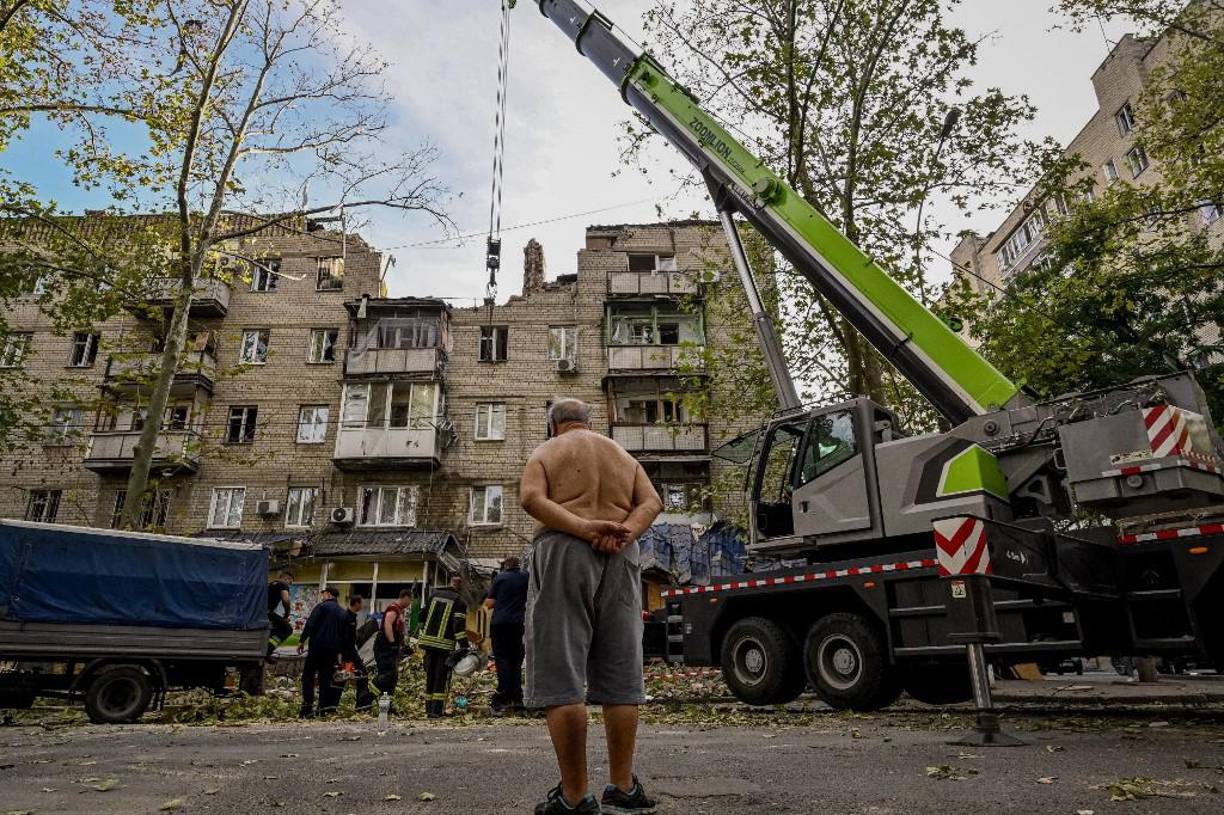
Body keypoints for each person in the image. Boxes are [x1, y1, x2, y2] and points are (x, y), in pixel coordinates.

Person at [520, 398, 663, 815]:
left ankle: (575, 796)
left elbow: (531, 498)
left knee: (561, 671)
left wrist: (583, 528)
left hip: (564, 549)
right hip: (622, 555)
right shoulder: (621, 454)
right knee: (621, 674)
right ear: (587, 422)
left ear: (554, 426)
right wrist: (622, 534)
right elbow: (652, 502)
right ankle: (622, 787)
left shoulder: (547, 451)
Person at [418, 576, 468, 718]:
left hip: (428, 644)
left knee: (430, 677)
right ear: (460, 586)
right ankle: (436, 711)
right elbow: (458, 626)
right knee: (440, 678)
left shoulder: (433, 595)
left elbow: (421, 618)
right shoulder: (459, 601)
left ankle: (428, 710)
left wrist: (424, 634)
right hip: (444, 646)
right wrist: (464, 646)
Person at [485, 555, 528, 713]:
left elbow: (489, 604)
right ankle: (517, 698)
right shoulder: (526, 577)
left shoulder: (500, 578)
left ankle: (502, 697)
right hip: (518, 624)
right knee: (516, 660)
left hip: (500, 624)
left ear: (506, 566)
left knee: (502, 659)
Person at [297, 586, 348, 718]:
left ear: (329, 594)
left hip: (317, 647)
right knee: (325, 679)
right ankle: (322, 709)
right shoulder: (342, 612)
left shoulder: (322, 607)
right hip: (331, 650)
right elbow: (344, 634)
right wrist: (340, 652)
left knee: (308, 676)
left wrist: (302, 640)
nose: (322, 596)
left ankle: (307, 708)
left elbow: (310, 624)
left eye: (323, 594)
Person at [371, 588, 414, 700]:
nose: (409, 604)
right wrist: (392, 643)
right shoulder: (393, 609)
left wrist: (403, 645)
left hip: (390, 647)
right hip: (384, 647)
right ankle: (367, 695)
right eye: (410, 601)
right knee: (387, 675)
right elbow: (387, 625)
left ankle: (386, 702)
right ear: (405, 597)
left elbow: (399, 630)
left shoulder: (400, 611)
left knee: (392, 676)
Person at [342, 594, 377, 711]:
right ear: (356, 603)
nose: (362, 605)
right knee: (361, 675)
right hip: (348, 653)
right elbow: (345, 638)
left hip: (351, 652)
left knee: (358, 675)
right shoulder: (347, 617)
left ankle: (360, 704)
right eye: (361, 603)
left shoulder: (352, 617)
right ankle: (361, 705)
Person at [266, 570, 294, 658]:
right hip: (268, 613)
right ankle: (268, 651)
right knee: (288, 629)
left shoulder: (270, 584)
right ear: (286, 578)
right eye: (291, 582)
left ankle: (265, 645)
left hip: (263, 613)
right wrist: (287, 614)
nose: (290, 585)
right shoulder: (283, 584)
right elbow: (285, 600)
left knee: (276, 627)